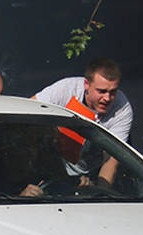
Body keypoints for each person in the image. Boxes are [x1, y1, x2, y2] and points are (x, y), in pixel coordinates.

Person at [29, 58, 133, 191]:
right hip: (49, 169)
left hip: (90, 175)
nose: (107, 98)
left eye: (113, 92)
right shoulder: (64, 90)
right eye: (101, 91)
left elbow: (111, 160)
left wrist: (100, 193)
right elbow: (27, 115)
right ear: (86, 85)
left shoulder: (122, 108)